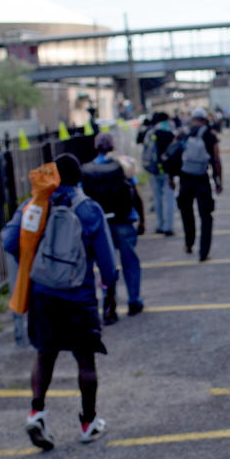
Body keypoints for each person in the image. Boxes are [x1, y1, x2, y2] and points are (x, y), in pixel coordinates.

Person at [2, 154, 118, 449]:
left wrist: (34, 262)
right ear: (80, 178)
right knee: (85, 360)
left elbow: (10, 241)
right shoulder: (88, 209)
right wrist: (108, 288)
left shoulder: (37, 205)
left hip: (43, 294)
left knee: (45, 355)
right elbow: (107, 264)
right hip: (79, 296)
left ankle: (37, 412)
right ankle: (88, 422)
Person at [83, 132, 145, 323]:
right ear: (112, 146)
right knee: (130, 262)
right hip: (123, 220)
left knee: (106, 266)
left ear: (96, 147)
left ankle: (109, 307)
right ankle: (134, 300)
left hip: (101, 225)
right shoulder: (122, 165)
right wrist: (141, 219)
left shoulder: (87, 170)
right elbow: (135, 194)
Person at [177, 108, 223, 261]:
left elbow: (173, 155)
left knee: (186, 213)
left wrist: (171, 177)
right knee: (206, 216)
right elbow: (216, 160)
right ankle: (204, 252)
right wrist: (218, 180)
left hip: (185, 178)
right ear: (204, 119)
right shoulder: (209, 134)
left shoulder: (183, 133)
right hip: (202, 179)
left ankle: (189, 243)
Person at [139, 112, 176, 236]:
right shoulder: (170, 132)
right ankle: (168, 227)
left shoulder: (150, 132)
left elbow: (143, 148)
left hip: (153, 170)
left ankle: (160, 225)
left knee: (157, 198)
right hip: (167, 171)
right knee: (169, 198)